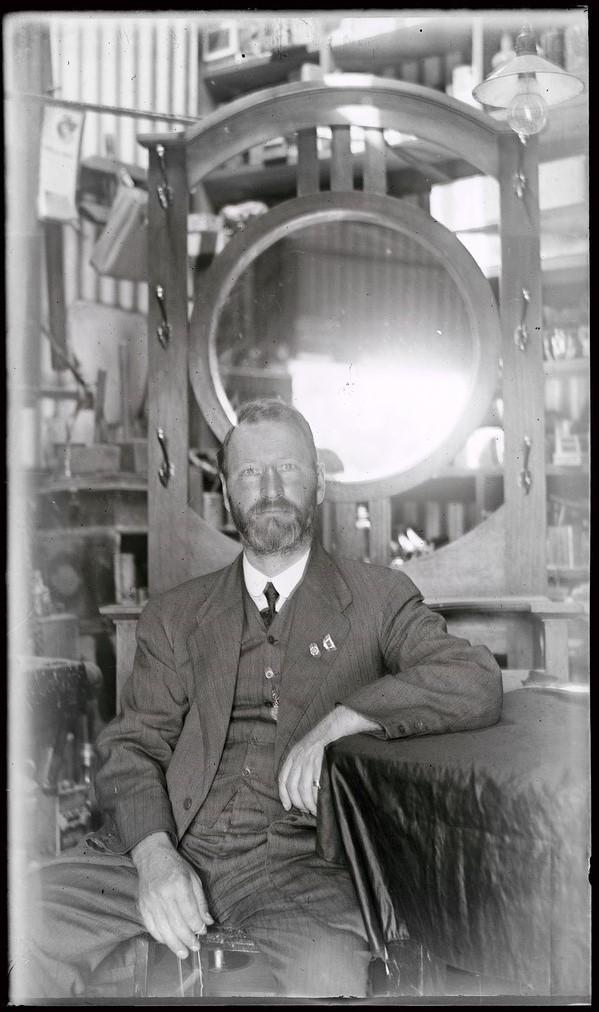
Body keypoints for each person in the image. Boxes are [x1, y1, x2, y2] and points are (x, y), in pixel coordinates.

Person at [18, 399, 502, 1000]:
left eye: (289, 470)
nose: (270, 490)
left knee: (330, 977)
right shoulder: (176, 615)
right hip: (169, 846)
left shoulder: (378, 599)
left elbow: (474, 676)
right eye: (250, 473)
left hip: (299, 871)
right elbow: (131, 747)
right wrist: (153, 856)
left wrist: (344, 721)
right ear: (225, 492)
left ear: (320, 483)